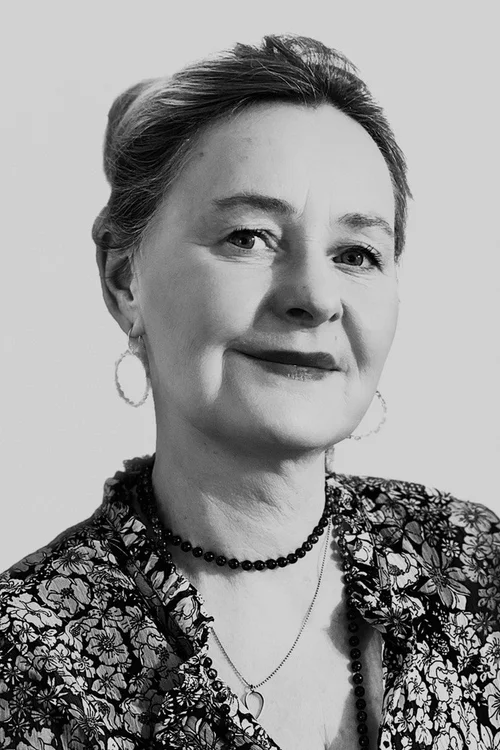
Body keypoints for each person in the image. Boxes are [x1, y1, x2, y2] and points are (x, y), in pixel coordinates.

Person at [0, 33, 499, 750]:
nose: (314, 296)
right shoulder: (25, 659)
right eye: (248, 238)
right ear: (123, 280)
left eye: (357, 253)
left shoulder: (477, 569)